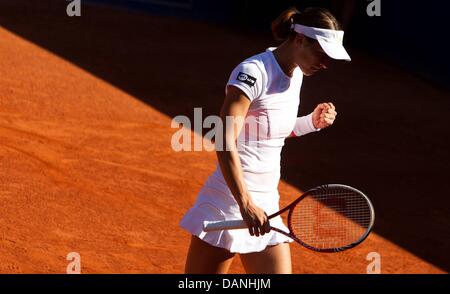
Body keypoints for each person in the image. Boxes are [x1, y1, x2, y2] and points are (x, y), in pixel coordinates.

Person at [179, 6, 350, 274]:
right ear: (300, 40)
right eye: (322, 53)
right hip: (228, 201)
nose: (325, 63)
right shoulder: (253, 72)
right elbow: (225, 141)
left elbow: (270, 131)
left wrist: (310, 123)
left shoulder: (297, 75)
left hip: (267, 201)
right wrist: (245, 203)